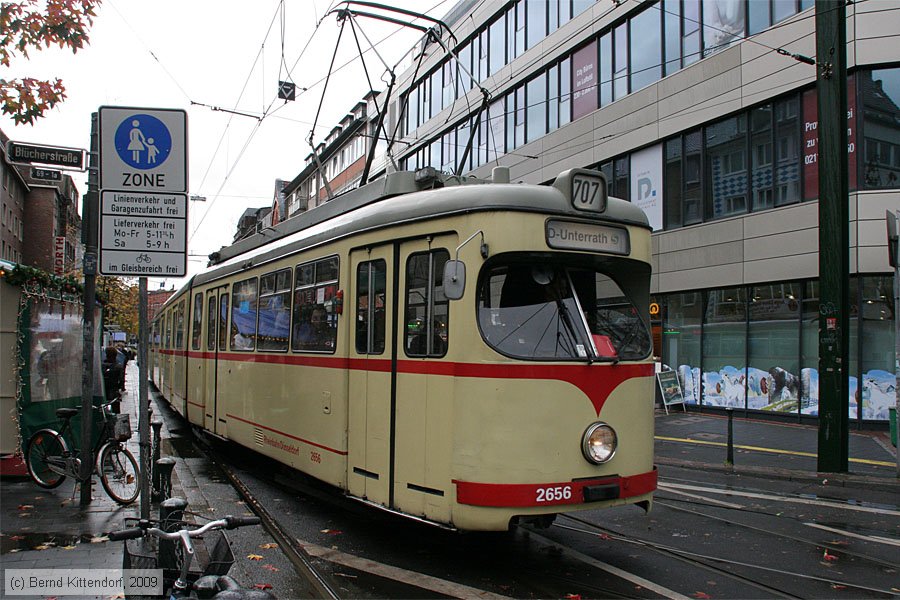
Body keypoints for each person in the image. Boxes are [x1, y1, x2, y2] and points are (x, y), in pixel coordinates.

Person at [102, 346, 125, 413]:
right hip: (114, 392)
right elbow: (121, 380)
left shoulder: (102, 366)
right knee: (115, 411)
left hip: (103, 392)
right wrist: (119, 388)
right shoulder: (118, 366)